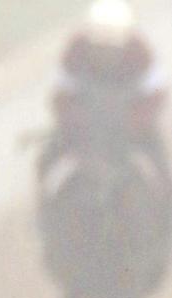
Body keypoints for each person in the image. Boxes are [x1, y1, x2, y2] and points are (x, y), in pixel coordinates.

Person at [39, 0, 170, 185]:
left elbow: (154, 94)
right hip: (87, 120)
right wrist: (77, 122)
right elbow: (61, 94)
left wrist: (133, 123)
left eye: (112, 47)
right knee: (45, 163)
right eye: (99, 47)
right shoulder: (75, 50)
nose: (105, 54)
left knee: (161, 168)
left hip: (128, 120)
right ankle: (44, 200)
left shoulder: (140, 52)